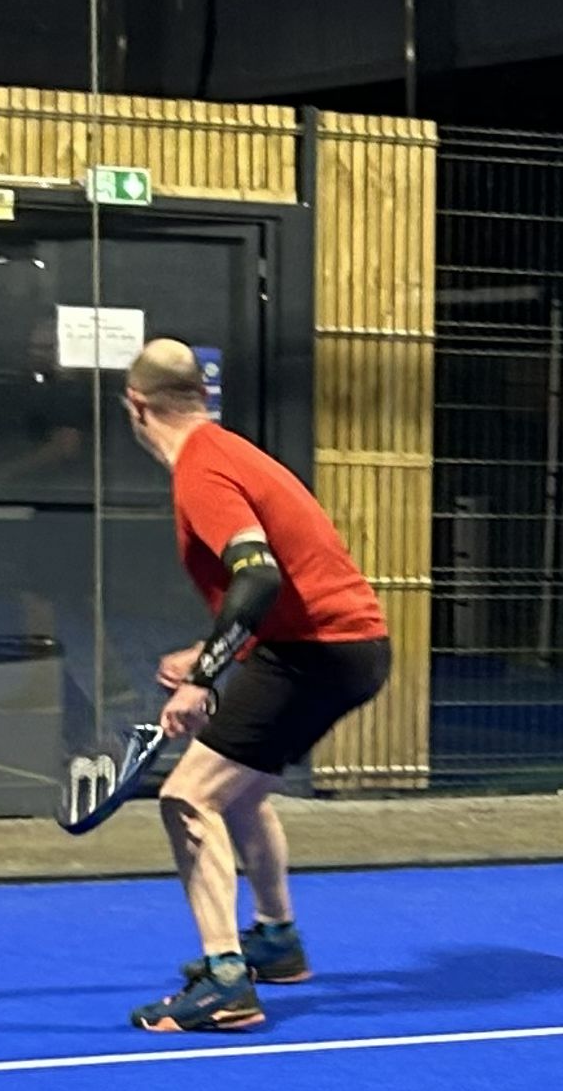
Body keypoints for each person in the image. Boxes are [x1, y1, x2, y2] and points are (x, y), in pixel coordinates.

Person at [123, 338, 391, 1033]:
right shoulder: (229, 451)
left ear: (136, 405)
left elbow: (260, 577)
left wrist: (202, 680)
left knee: (188, 797)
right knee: (239, 792)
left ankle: (226, 983)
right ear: (203, 396)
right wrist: (208, 653)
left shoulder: (201, 470)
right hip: (342, 647)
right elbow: (282, 588)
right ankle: (275, 940)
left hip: (316, 654)